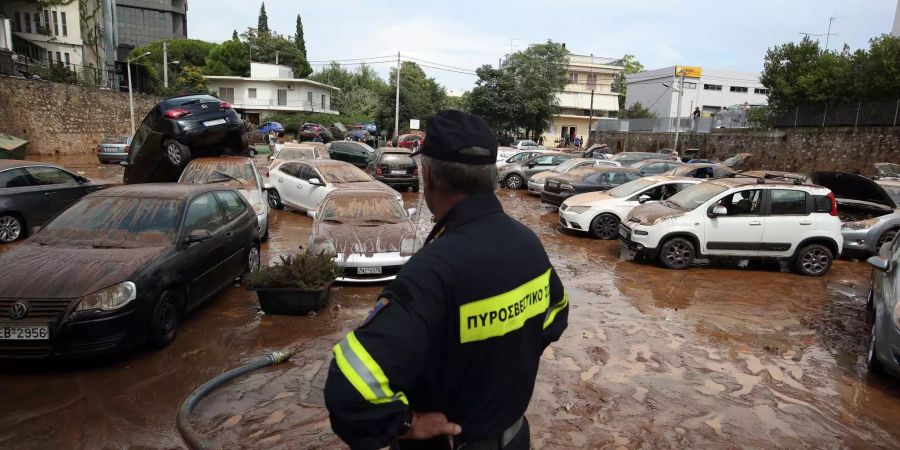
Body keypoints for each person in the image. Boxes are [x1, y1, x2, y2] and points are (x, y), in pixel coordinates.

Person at [324, 110, 569, 450]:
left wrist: (408, 423)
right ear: (491, 175)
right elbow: (556, 314)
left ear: (429, 175)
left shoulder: (430, 273)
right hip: (515, 438)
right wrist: (504, 360)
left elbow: (349, 389)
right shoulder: (529, 244)